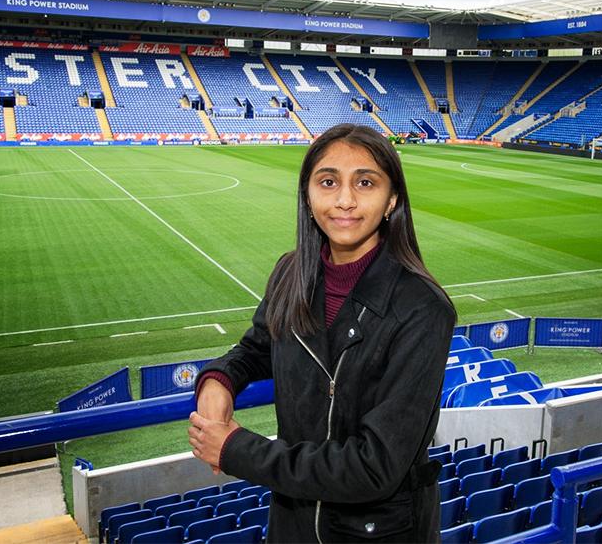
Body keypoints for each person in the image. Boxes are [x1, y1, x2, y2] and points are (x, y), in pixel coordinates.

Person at [189, 123, 456, 543]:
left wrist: (237, 449)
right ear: (308, 196)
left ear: (392, 200)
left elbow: (374, 467)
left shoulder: (423, 310)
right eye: (328, 181)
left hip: (377, 532)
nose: (345, 200)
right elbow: (258, 348)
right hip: (293, 524)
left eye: (365, 182)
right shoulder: (290, 272)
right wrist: (219, 380)